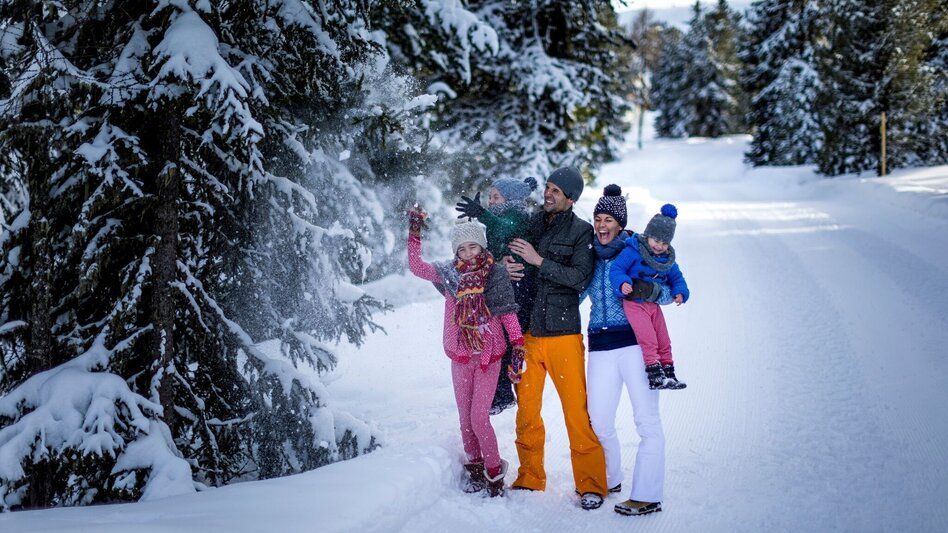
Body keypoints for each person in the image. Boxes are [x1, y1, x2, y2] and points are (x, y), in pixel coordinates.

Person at [504, 167, 608, 510]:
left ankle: (591, 484)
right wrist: (506, 263)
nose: (547, 194)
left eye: (555, 191)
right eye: (547, 187)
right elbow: (507, 249)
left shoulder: (581, 232)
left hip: (563, 334)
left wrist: (539, 260)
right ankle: (530, 476)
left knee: (576, 413)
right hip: (528, 333)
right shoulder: (532, 223)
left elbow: (579, 277)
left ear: (571, 198)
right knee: (527, 413)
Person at [406, 207, 524, 497]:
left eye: (473, 246)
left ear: (481, 246)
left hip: (487, 357)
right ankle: (476, 469)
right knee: (465, 421)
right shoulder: (449, 274)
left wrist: (518, 345)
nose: (468, 252)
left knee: (479, 418)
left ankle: (494, 473)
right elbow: (416, 266)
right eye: (462, 248)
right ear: (455, 251)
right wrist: (415, 231)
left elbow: (507, 313)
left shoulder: (495, 274)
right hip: (460, 356)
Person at [582, 185, 668, 517]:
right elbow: (574, 294)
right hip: (600, 345)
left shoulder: (638, 252)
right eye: (597, 219)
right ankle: (610, 478)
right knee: (599, 419)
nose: (601, 225)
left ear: (620, 224)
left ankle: (647, 495)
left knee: (647, 421)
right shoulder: (589, 255)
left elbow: (666, 291)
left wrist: (646, 289)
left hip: (636, 345)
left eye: (608, 220)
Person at [455, 176, 538, 415]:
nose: (491, 201)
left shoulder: (517, 215)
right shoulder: (496, 219)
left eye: (496, 197)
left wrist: (482, 214)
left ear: (510, 199)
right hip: (504, 284)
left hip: (520, 288)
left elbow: (506, 228)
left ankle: (503, 392)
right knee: (496, 338)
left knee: (507, 338)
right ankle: (498, 392)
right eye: (490, 196)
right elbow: (491, 248)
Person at [609, 204, 690, 390]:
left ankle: (669, 373)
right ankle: (655, 376)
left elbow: (677, 277)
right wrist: (622, 283)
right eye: (656, 240)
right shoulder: (634, 250)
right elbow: (617, 269)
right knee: (649, 339)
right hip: (635, 303)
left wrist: (680, 292)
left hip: (653, 305)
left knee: (664, 339)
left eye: (664, 243)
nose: (659, 246)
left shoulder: (667, 259)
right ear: (647, 235)